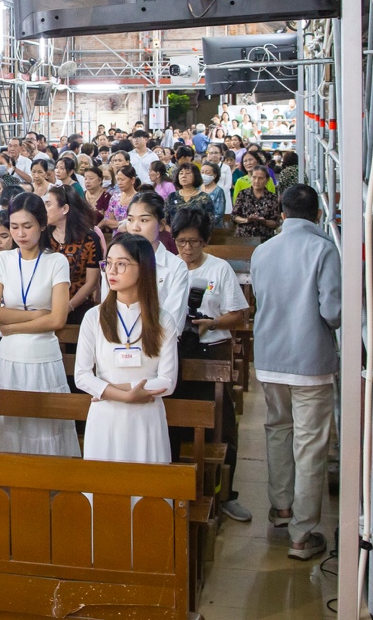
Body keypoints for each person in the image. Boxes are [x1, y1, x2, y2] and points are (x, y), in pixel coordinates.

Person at [251, 184, 341, 561]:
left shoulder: (263, 251)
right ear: (318, 214)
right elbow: (333, 313)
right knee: (309, 444)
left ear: (283, 213)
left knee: (277, 430)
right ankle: (302, 535)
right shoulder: (324, 249)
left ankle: (281, 509)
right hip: (310, 361)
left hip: (270, 359)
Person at [170, 207, 252, 521]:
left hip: (211, 350)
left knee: (220, 423)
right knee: (177, 418)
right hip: (176, 352)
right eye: (181, 242)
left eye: (194, 242)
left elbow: (238, 314)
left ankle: (225, 494)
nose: (187, 248)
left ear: (205, 241)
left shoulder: (219, 269)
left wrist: (213, 323)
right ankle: (179, 486)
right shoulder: (169, 267)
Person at [0, 193, 79, 457]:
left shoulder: (56, 261)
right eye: (14, 227)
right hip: (10, 357)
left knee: (44, 430)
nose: (20, 234)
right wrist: (36, 315)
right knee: (9, 429)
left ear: (42, 224)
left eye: (27, 226)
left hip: (43, 356)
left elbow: (57, 319)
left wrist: (13, 326)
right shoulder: (2, 260)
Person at [74, 233, 177, 463]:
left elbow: (167, 382)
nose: (111, 271)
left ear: (144, 268)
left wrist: (118, 390)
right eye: (108, 263)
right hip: (106, 416)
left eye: (121, 264)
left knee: (146, 481)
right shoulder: (94, 317)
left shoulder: (163, 320)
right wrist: (123, 396)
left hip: (146, 416)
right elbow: (81, 376)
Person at [120, 192, 190, 332]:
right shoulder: (116, 263)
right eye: (130, 220)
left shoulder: (176, 267)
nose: (135, 227)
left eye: (144, 220)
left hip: (159, 341)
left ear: (161, 225)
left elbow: (173, 323)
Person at [44, 186, 102, 325]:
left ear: (64, 209)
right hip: (45, 306)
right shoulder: (43, 236)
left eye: (48, 204)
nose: (44, 209)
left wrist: (68, 307)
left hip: (77, 306)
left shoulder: (90, 239)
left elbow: (91, 283)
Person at [233, 168, 282, 240]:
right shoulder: (243, 194)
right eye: (254, 177)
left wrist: (264, 221)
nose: (256, 181)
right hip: (243, 238)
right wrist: (246, 220)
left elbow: (276, 222)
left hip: (264, 238)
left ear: (267, 180)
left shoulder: (272, 197)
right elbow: (234, 216)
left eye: (260, 178)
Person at [102, 164, 138, 234]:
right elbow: (107, 221)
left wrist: (116, 223)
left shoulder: (139, 199)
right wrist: (125, 224)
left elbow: (136, 223)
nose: (119, 183)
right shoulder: (115, 197)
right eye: (118, 179)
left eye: (122, 179)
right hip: (116, 236)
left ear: (133, 180)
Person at [199, 161, 228, 226]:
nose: (204, 175)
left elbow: (219, 213)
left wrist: (205, 224)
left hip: (213, 227)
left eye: (207, 173)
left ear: (214, 175)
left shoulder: (219, 191)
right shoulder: (197, 189)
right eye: (202, 172)